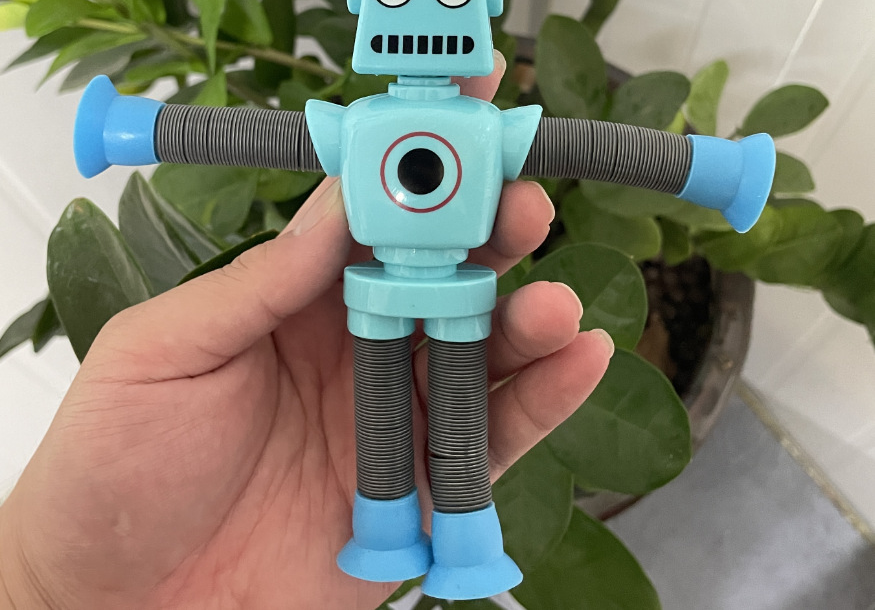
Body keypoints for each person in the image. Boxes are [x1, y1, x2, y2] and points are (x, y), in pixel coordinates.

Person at [0, 56, 614, 609]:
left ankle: (456, 543)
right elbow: (253, 136)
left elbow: (606, 150)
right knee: (407, 425)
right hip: (394, 292)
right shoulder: (425, 127)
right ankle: (402, 539)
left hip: (428, 292)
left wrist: (127, 128)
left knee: (446, 425)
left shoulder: (408, 126)